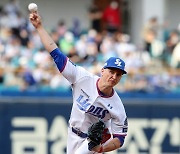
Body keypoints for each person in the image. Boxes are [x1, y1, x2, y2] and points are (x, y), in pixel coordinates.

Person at [29, 11, 128, 154]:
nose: (114, 76)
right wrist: (39, 27)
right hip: (72, 134)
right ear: (102, 71)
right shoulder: (82, 77)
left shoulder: (117, 106)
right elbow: (56, 54)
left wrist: (101, 148)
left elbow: (120, 138)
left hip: (91, 141)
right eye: (111, 72)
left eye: (118, 74)